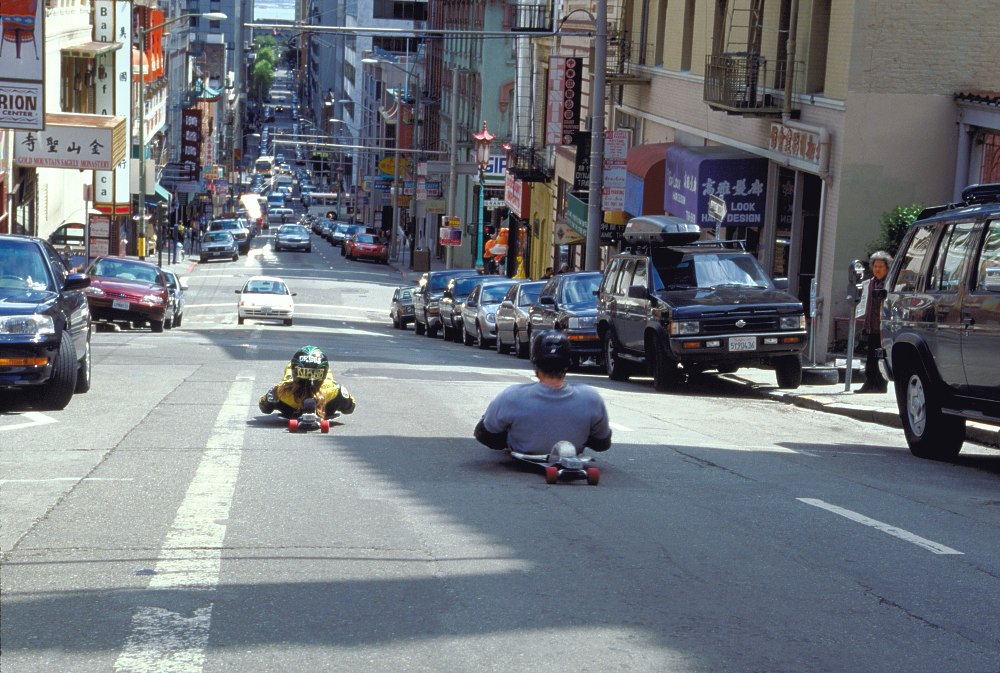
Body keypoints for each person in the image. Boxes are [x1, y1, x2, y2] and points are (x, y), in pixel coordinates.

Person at [474, 330, 611, 456]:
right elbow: (602, 443)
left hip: (521, 452)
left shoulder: (512, 395)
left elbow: (485, 434)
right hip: (572, 451)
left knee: (491, 423)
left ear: (535, 364)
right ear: (568, 364)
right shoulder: (591, 397)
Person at [258, 346, 357, 419]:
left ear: (323, 373)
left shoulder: (334, 390)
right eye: (304, 373)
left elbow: (350, 407)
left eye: (316, 374)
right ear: (295, 372)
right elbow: (264, 406)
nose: (310, 380)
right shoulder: (280, 392)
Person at [857, 250, 892, 394]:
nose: (877, 269)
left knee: (881, 357)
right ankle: (869, 383)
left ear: (887, 268)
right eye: (875, 266)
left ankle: (880, 385)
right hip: (872, 327)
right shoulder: (870, 283)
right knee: (871, 357)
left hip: (884, 328)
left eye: (880, 266)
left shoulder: (889, 283)